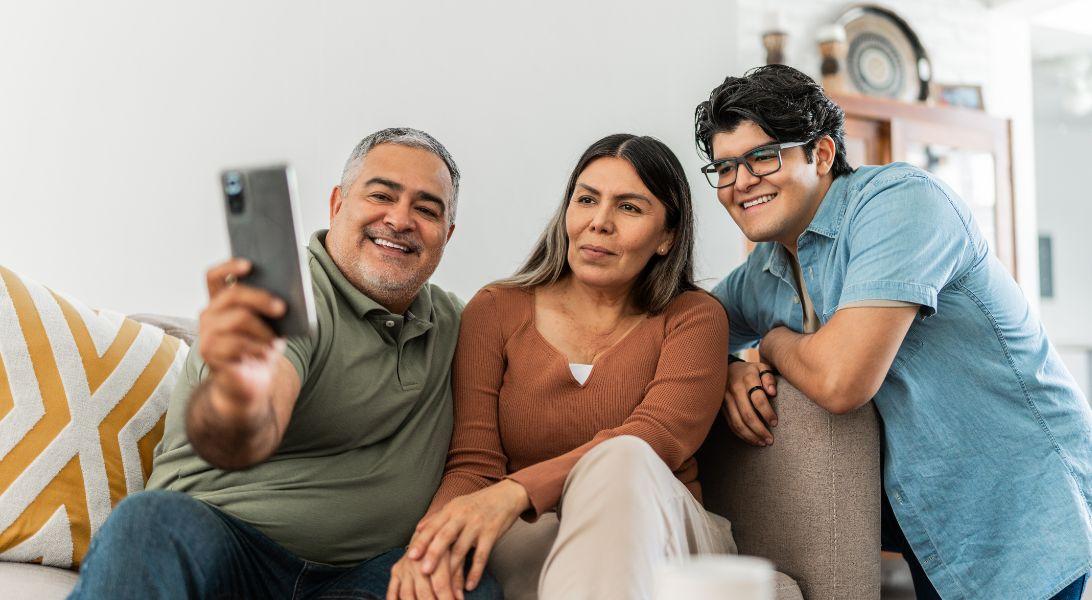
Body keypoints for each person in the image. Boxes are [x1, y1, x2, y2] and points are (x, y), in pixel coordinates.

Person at [697, 65, 1091, 600]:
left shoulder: (900, 204)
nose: (741, 182)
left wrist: (768, 344)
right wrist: (725, 369)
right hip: (925, 521)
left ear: (821, 154)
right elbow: (686, 338)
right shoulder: (763, 271)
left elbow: (842, 381)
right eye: (724, 167)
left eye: (763, 157)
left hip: (1020, 511)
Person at [70, 128, 500, 599]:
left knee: (463, 582)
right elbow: (246, 430)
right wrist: (240, 392)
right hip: (228, 550)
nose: (400, 219)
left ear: (448, 234)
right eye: (382, 195)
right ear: (338, 204)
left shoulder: (461, 326)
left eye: (426, 208)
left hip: (358, 579)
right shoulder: (286, 293)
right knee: (146, 521)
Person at [387, 134, 736, 600]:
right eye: (587, 199)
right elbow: (474, 463)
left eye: (630, 208)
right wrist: (427, 546)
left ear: (667, 236)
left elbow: (657, 439)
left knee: (624, 456)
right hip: (538, 534)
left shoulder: (694, 317)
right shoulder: (495, 310)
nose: (599, 222)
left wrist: (514, 493)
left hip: (665, 531)